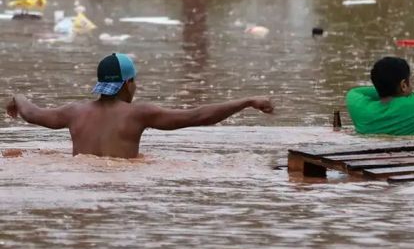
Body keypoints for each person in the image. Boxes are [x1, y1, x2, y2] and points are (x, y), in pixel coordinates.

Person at [5, 53, 274, 159]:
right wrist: (246, 101)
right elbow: (198, 116)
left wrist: (17, 98)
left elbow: (32, 114)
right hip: (123, 186)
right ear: (127, 84)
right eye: (134, 82)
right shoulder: (138, 114)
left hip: (80, 179)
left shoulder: (75, 112)